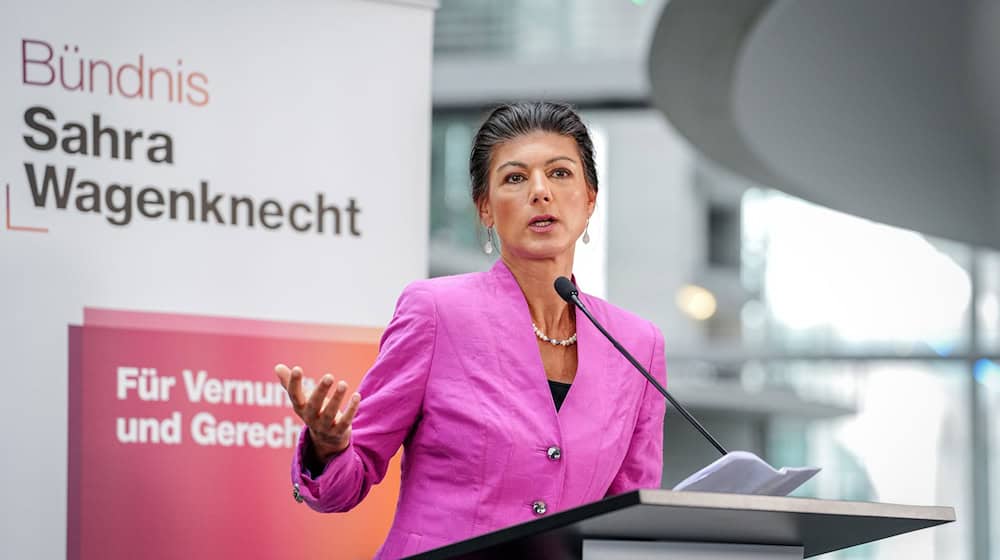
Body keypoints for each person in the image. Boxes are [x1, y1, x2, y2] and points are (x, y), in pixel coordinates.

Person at [274, 101, 666, 559]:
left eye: (560, 173)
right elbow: (345, 485)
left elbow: (627, 523)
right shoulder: (435, 312)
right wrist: (327, 447)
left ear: (591, 198)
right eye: (515, 178)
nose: (540, 192)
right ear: (484, 208)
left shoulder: (638, 345)